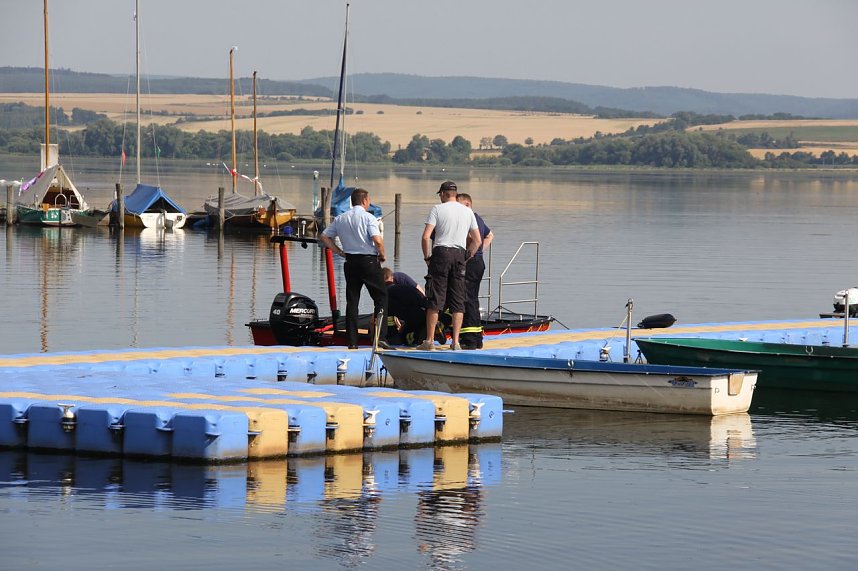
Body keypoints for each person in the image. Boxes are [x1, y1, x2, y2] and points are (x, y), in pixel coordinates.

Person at [319, 188, 390, 349]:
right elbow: (377, 241)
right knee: (381, 298)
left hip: (350, 261)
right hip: (369, 261)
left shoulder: (341, 218)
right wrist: (383, 255)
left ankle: (352, 342)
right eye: (369, 200)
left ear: (352, 201)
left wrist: (338, 251)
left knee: (352, 301)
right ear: (365, 201)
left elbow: (324, 236)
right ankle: (380, 339)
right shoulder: (368, 218)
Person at [418, 180, 481, 351]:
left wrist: (427, 257)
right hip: (459, 255)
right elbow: (477, 240)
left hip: (441, 254)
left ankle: (429, 341)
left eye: (440, 195)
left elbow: (425, 237)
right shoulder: (468, 212)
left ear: (444, 194)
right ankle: (456, 342)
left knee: (435, 298)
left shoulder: (437, 209)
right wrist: (467, 257)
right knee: (458, 300)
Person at [455, 193, 493, 349]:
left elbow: (471, 238)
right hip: (478, 262)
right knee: (472, 298)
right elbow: (490, 235)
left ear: (467, 204)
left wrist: (470, 254)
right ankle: (477, 338)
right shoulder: (478, 217)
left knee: (465, 298)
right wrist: (480, 251)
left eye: (458, 205)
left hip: (470, 263)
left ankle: (469, 340)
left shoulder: (469, 218)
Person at [383, 268, 429, 346]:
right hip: (426, 311)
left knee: (402, 337)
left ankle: (416, 336)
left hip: (415, 315)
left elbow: (386, 317)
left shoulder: (386, 294)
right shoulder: (402, 286)